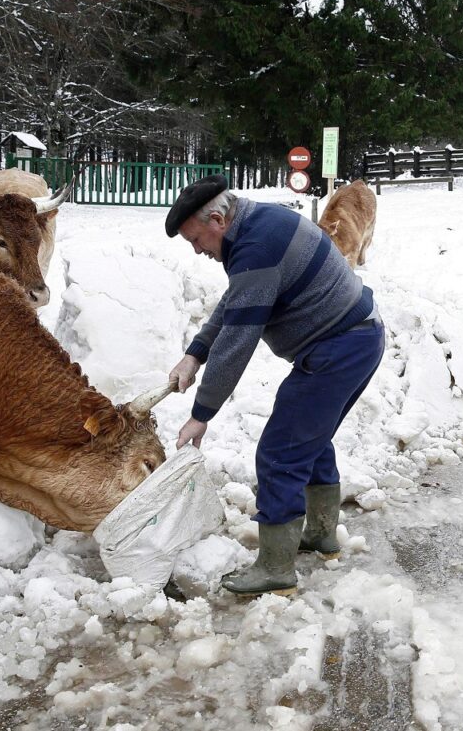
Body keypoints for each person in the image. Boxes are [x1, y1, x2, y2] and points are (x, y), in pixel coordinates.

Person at [164, 175, 384, 596]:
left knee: (280, 452)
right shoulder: (257, 225)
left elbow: (239, 339)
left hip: (339, 349)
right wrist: (195, 352)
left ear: (217, 220)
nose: (198, 250)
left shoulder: (257, 246)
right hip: (353, 339)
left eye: (196, 240)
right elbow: (236, 301)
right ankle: (320, 534)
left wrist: (201, 414)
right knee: (310, 439)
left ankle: (275, 568)